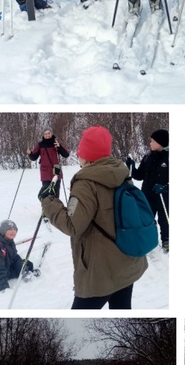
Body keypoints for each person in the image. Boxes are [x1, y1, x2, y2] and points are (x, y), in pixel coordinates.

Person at [40, 125, 148, 309]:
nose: (78, 155)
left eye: (80, 151)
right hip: (127, 262)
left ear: (87, 155)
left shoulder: (86, 183)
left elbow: (72, 225)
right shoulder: (121, 172)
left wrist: (49, 202)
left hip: (99, 272)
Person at [127, 129, 169, 252]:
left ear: (160, 142)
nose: (150, 143)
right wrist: (131, 167)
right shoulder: (148, 157)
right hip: (148, 196)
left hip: (163, 198)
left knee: (164, 221)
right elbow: (139, 175)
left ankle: (167, 241)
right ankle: (149, 240)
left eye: (152, 141)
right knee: (147, 220)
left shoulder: (170, 158)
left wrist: (165, 187)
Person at [0, 220, 33, 292]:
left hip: (7, 264)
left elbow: (14, 256)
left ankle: (24, 272)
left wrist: (22, 268)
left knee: (28, 264)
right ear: (3, 231)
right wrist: (4, 289)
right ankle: (23, 273)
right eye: (9, 229)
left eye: (14, 229)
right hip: (0, 271)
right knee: (23, 266)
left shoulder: (8, 241)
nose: (13, 232)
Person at [27, 127, 70, 192]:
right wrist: (30, 153)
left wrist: (59, 147)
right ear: (43, 135)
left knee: (56, 192)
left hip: (56, 169)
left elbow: (66, 155)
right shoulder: (40, 145)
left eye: (49, 133)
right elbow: (34, 157)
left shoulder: (56, 143)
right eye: (45, 134)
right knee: (46, 193)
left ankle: (55, 202)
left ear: (51, 133)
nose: (47, 135)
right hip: (45, 171)